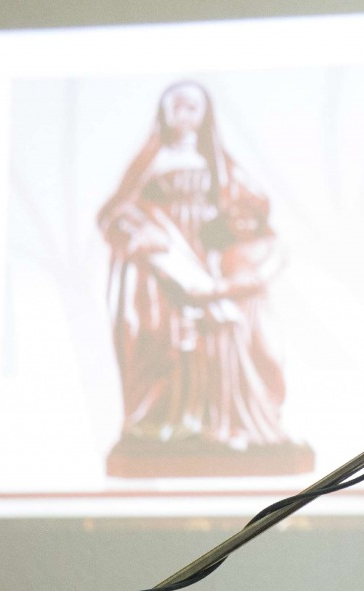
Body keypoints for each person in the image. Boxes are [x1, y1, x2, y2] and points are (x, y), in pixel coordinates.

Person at [98, 80, 313, 477]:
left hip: (209, 254)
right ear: (164, 113)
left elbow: (254, 204)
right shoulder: (149, 161)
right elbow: (114, 214)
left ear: (204, 114)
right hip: (165, 266)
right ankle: (164, 425)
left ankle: (216, 422)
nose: (183, 114)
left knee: (221, 340)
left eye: (191, 107)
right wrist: (141, 235)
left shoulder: (218, 162)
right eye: (176, 106)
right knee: (166, 342)